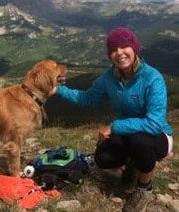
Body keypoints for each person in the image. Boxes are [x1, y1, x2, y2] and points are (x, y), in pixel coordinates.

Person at [53, 27, 174, 212]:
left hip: (157, 136)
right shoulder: (109, 78)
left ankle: (144, 189)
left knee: (140, 141)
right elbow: (87, 98)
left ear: (134, 48)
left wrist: (114, 126)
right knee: (103, 158)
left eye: (124, 46)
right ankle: (133, 165)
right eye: (113, 50)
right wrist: (59, 90)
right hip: (126, 134)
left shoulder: (152, 78)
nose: (119, 53)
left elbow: (154, 123)